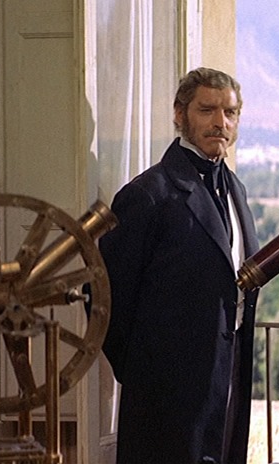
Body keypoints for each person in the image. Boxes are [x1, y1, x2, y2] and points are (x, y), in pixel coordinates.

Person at [99, 67, 260, 464]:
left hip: (227, 383)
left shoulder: (236, 190)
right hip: (164, 398)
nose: (220, 123)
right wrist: (146, 377)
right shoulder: (147, 194)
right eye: (207, 110)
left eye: (230, 113)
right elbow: (106, 298)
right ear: (179, 114)